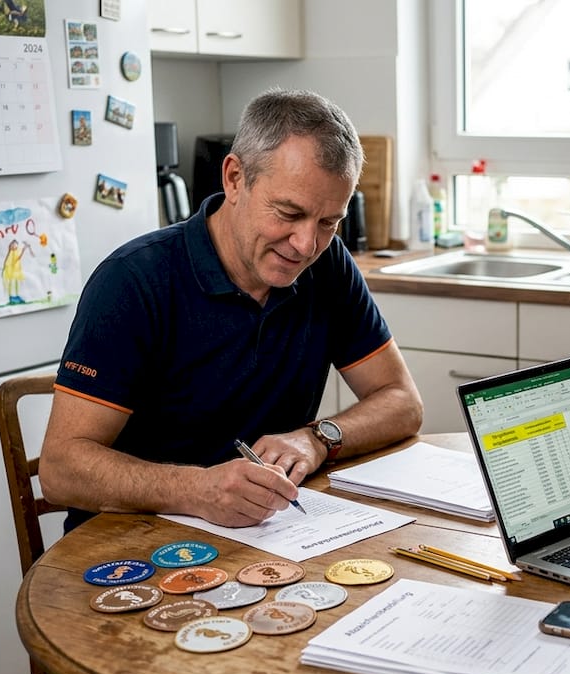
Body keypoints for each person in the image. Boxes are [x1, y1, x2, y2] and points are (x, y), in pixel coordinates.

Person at [40, 88, 423, 533]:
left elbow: (402, 403)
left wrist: (317, 438)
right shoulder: (133, 280)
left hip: (267, 536)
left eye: (327, 222)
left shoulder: (329, 265)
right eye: (288, 213)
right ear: (235, 178)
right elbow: (60, 470)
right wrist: (198, 490)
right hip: (129, 546)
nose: (306, 245)